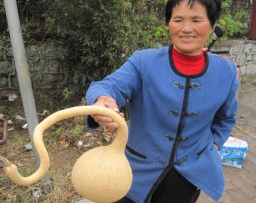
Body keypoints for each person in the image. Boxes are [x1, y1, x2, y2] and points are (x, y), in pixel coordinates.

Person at [85, 0, 239, 202]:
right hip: (135, 169)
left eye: (196, 20)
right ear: (169, 24)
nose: (186, 28)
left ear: (212, 24)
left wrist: (214, 146)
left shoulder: (226, 72)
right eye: (178, 19)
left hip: (188, 176)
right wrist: (102, 100)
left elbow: (226, 119)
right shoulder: (143, 62)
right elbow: (108, 86)